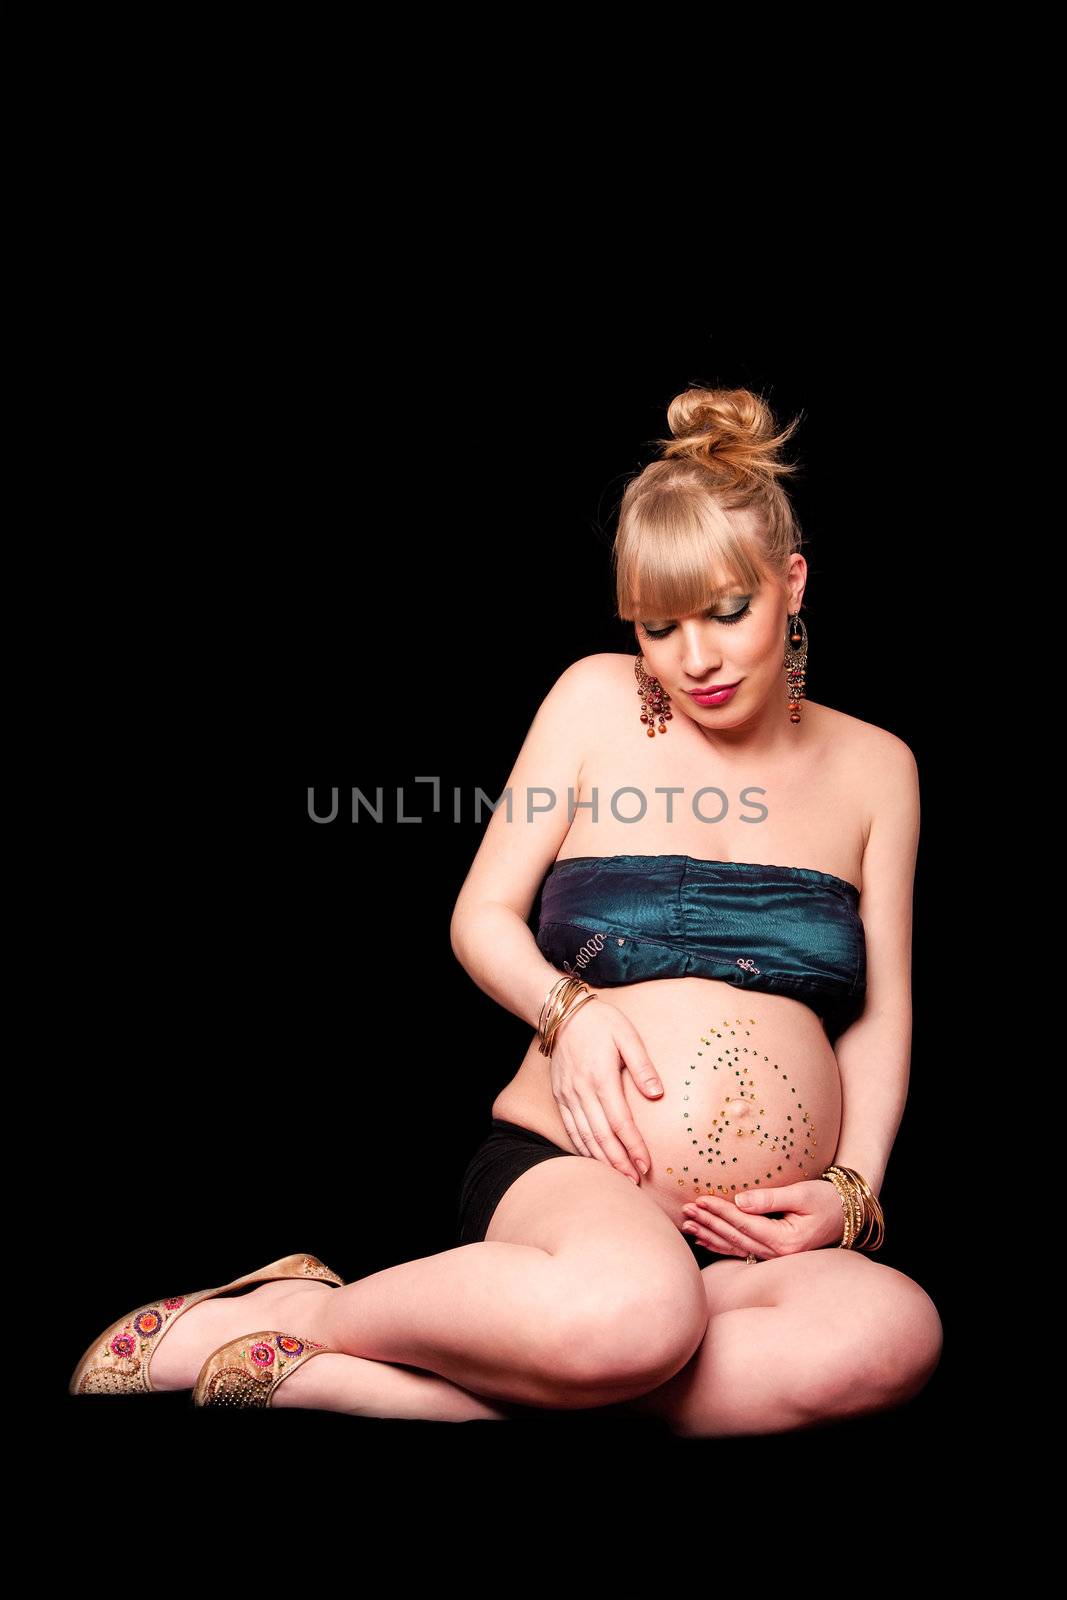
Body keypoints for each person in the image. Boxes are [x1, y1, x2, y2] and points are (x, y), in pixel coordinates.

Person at [69, 385, 943, 1434]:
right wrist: (565, 1010)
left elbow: (881, 1009)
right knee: (629, 1313)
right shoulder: (588, 701)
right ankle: (315, 1315)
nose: (695, 659)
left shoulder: (877, 768)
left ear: (789, 583)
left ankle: (537, 1368)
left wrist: (849, 1190)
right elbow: (480, 915)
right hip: (571, 1174)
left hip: (749, 1235)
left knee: (892, 1330)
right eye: (657, 626)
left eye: (726, 612)